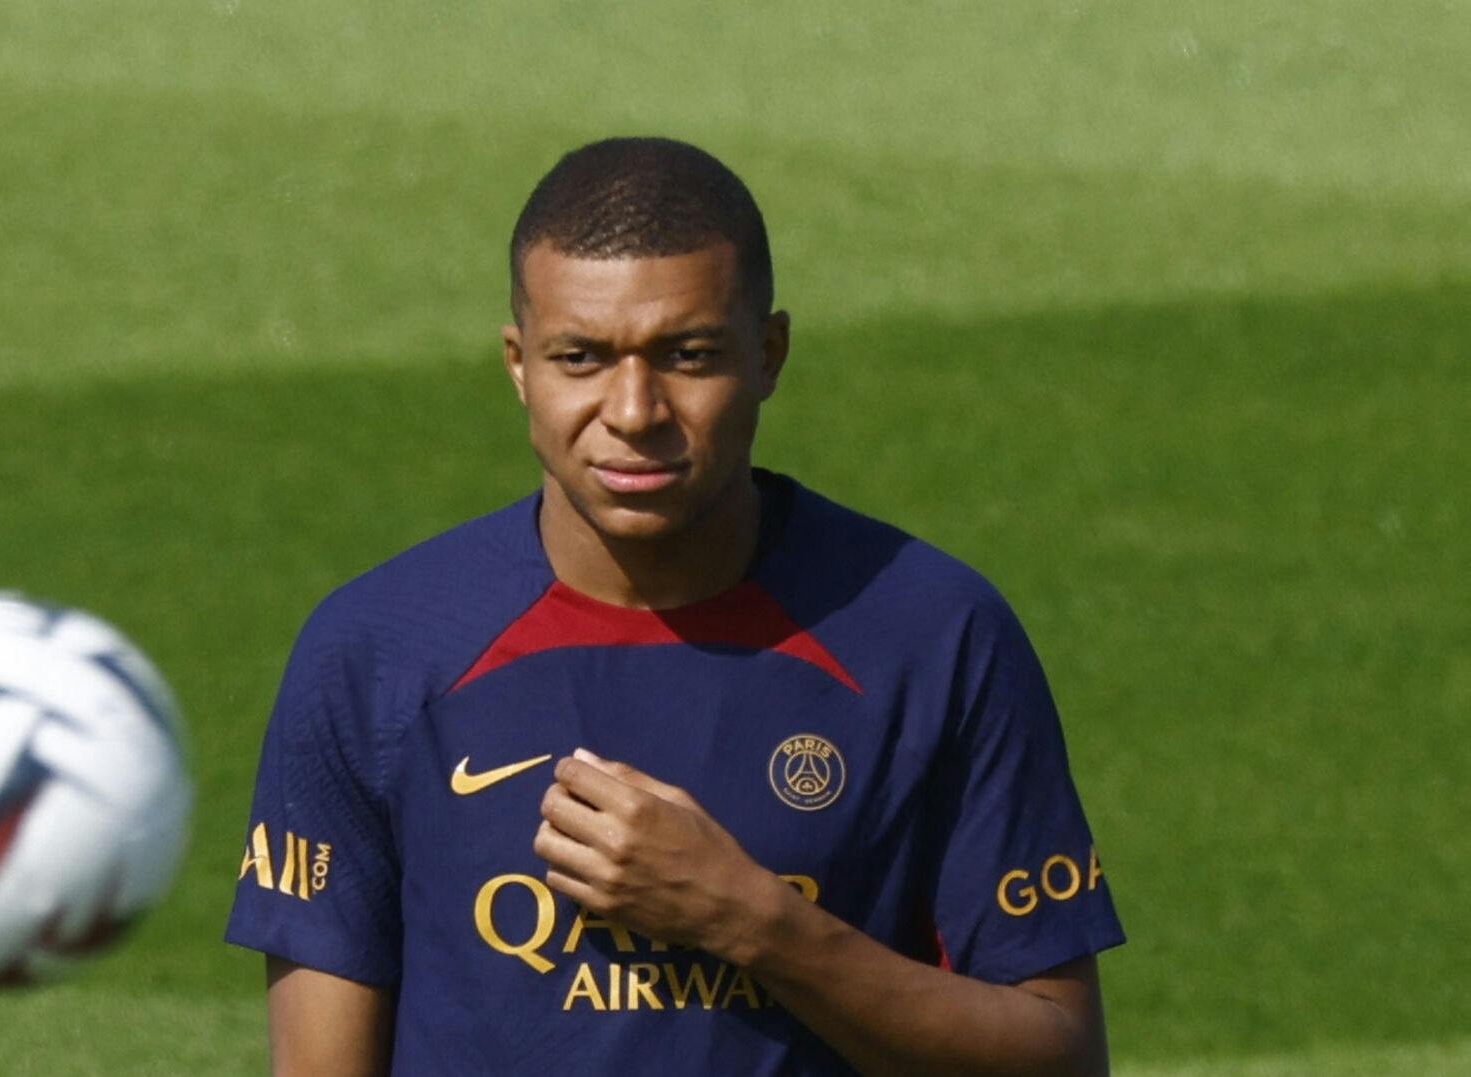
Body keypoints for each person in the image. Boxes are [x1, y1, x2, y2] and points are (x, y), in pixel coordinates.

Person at [225, 137, 1124, 1075]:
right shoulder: (377, 648)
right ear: (518, 364)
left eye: (687, 354)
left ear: (768, 353)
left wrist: (749, 917)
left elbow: (1060, 1056)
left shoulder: (933, 632)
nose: (634, 409)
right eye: (580, 356)